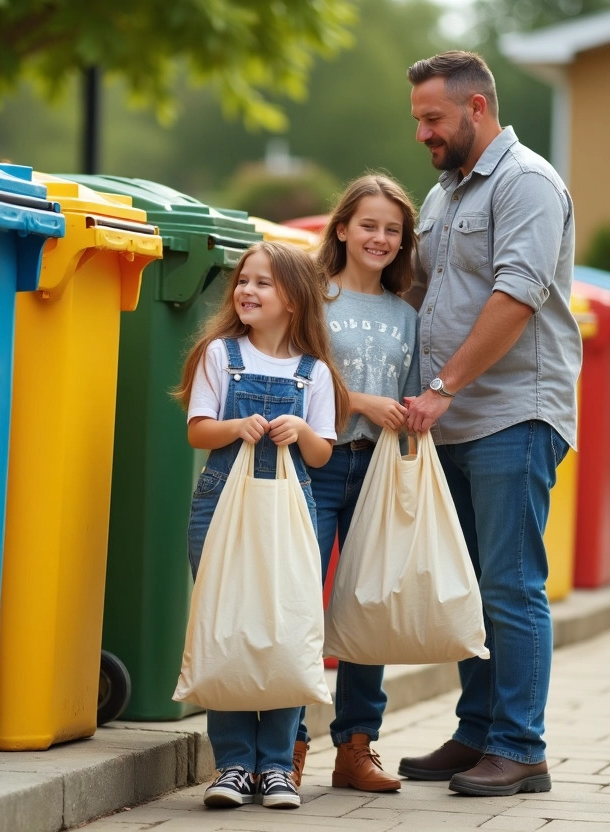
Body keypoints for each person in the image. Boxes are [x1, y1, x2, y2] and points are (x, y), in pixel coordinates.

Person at [397, 51, 582, 797]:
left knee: (509, 585)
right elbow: (419, 293)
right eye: (417, 120)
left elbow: (516, 295)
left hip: (513, 413)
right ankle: (477, 734)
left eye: (433, 119)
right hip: (454, 421)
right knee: (468, 589)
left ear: (477, 109)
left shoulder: (527, 183)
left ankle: (520, 747)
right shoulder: (443, 196)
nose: (422, 134)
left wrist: (442, 385)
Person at [174, 240, 349, 810]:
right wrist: (235, 428)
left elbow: (322, 454)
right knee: (227, 623)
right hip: (221, 505)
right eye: (243, 281)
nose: (246, 291)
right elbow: (199, 430)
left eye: (262, 283)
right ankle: (231, 765)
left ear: (293, 301)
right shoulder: (218, 355)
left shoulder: (315, 372)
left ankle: (276, 765)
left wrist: (300, 430)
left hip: (288, 511)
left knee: (283, 626)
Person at [291, 173, 421, 793]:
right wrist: (365, 401)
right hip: (317, 465)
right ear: (340, 229)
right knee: (298, 600)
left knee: (368, 607)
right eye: (368, 225)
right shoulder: (313, 298)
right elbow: (294, 375)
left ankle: (356, 748)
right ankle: (287, 744)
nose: (380, 237)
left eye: (392, 229)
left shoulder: (406, 314)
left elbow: (411, 395)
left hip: (379, 472)